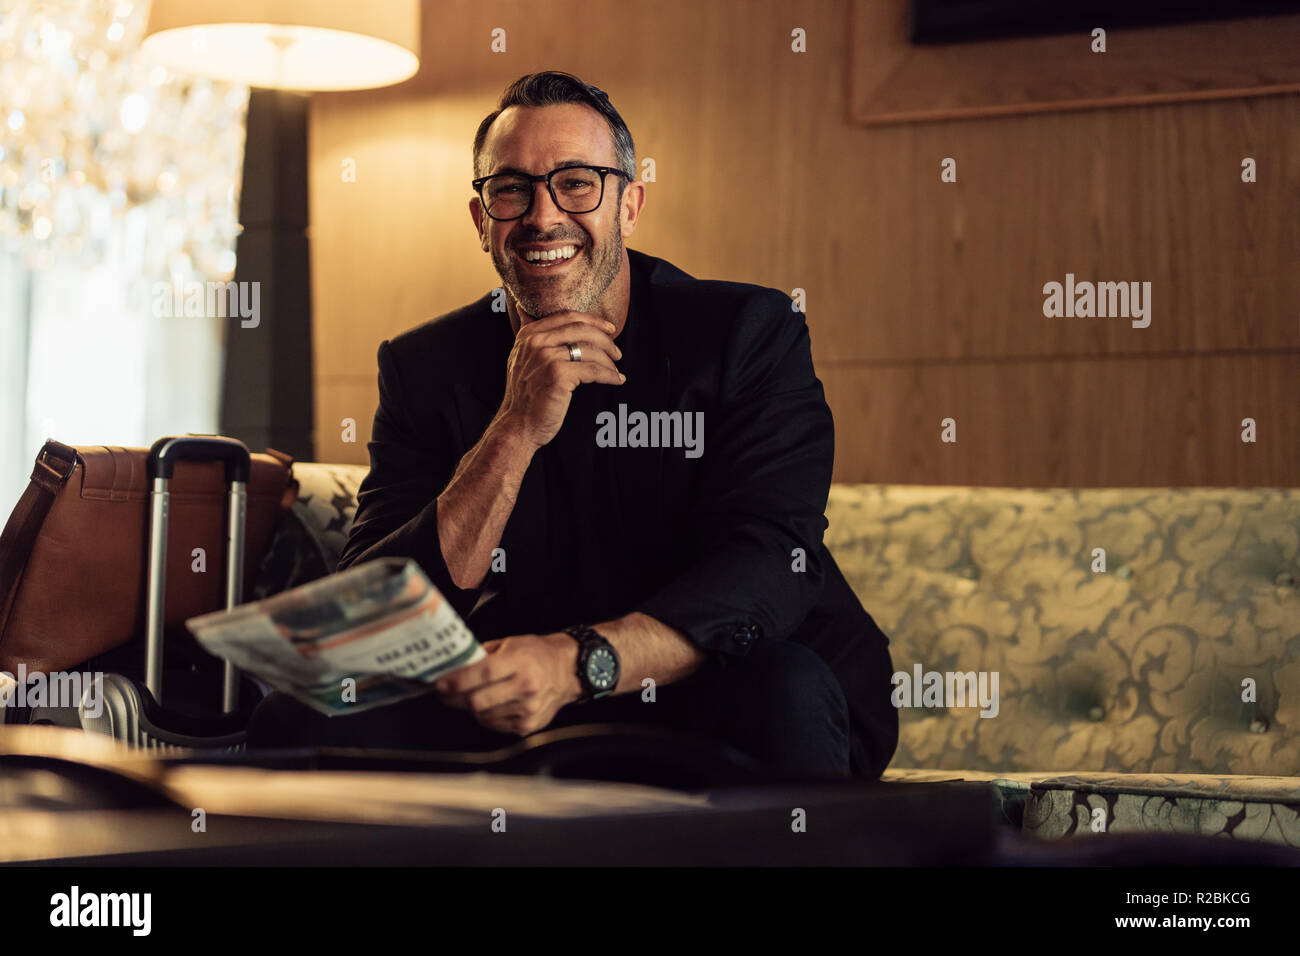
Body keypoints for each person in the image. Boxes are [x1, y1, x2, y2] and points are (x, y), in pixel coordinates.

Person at [247, 71, 898, 779]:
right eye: (511, 189)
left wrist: (578, 660)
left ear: (629, 207)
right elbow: (375, 614)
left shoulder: (744, 333)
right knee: (298, 717)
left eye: (578, 183)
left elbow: (771, 562)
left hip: (716, 683)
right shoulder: (423, 366)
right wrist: (514, 427)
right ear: (481, 221)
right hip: (528, 701)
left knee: (783, 692)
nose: (542, 215)